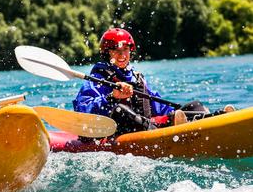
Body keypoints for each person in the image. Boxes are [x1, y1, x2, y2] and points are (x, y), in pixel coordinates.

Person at [72, 28, 234, 135]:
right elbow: (83, 110)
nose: (122, 55)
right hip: (116, 133)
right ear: (107, 53)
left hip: (146, 126)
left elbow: (158, 108)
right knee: (120, 110)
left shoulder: (136, 77)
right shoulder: (98, 78)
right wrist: (112, 97)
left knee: (195, 106)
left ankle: (216, 119)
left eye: (125, 50)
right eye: (116, 50)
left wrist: (182, 114)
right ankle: (163, 131)